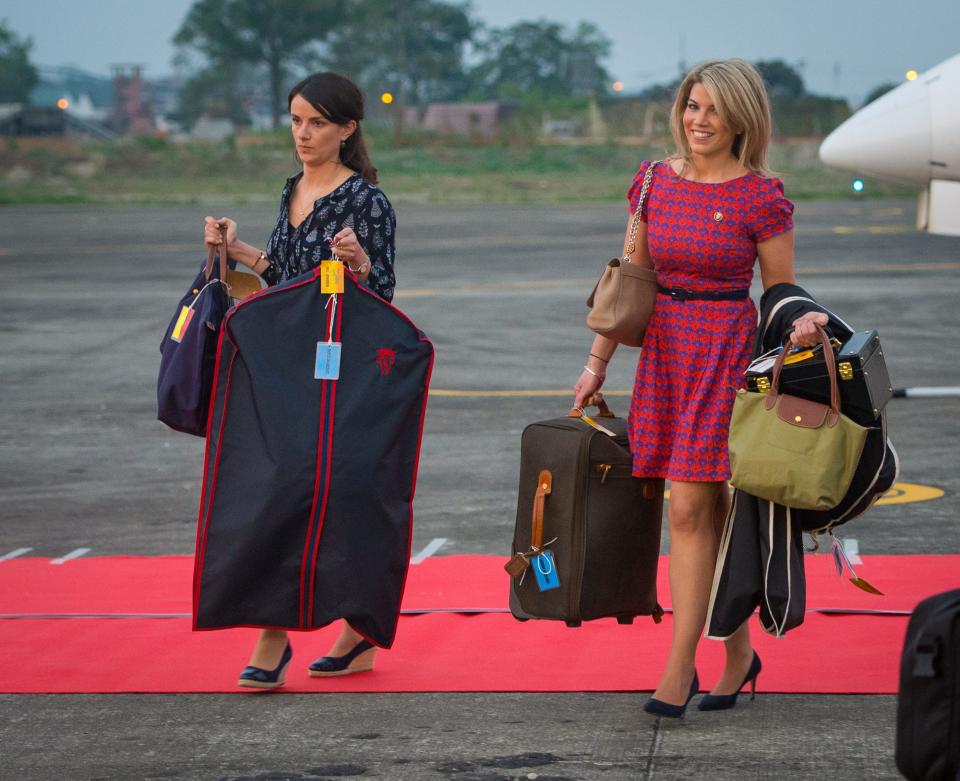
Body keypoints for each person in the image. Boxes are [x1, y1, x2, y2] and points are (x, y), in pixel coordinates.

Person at [573, 59, 827, 717]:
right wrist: (597, 362)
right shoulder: (654, 182)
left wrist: (800, 316)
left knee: (689, 506)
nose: (699, 120)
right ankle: (738, 653)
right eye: (691, 106)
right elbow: (630, 279)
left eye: (713, 109)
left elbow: (778, 288)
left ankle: (678, 667)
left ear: (741, 117)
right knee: (698, 508)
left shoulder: (760, 195)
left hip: (724, 350)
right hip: (662, 351)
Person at [201, 71, 397, 688]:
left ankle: (298, 635)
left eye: (317, 122)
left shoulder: (365, 201)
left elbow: (383, 297)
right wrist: (239, 251)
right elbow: (284, 274)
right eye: (295, 120)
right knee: (281, 490)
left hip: (340, 374)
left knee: (330, 497)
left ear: (347, 128)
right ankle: (304, 632)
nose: (303, 134)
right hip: (283, 365)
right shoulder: (292, 187)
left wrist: (362, 264)